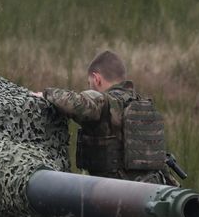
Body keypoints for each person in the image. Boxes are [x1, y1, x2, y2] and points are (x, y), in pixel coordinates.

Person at [30, 50, 172, 185]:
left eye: (89, 83)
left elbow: (77, 103)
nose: (89, 87)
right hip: (151, 189)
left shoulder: (104, 102)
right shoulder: (144, 105)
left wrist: (45, 95)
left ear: (97, 79)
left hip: (116, 195)